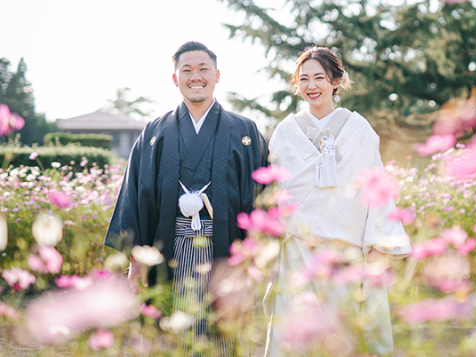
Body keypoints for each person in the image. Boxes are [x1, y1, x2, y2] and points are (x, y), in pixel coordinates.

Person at [104, 41, 269, 354]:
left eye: (203, 69)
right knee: (171, 331)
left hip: (226, 252)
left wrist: (255, 255)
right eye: (187, 70)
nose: (196, 76)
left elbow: (261, 198)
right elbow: (134, 196)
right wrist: (135, 261)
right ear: (175, 78)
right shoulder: (154, 132)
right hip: (170, 246)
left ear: (217, 75)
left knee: (223, 333)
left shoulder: (245, 130)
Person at [264, 47, 411, 357]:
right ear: (297, 85)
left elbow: (376, 186)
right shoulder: (285, 132)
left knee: (346, 336)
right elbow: (276, 193)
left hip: (347, 251)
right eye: (304, 79)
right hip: (298, 251)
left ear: (336, 81)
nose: (311, 85)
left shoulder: (359, 129)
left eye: (320, 77)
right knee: (298, 337)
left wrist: (377, 244)